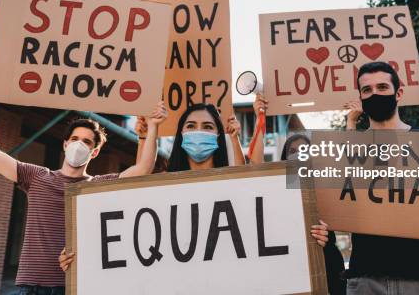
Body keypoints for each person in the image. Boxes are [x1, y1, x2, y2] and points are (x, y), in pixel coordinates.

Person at [59, 100, 331, 273]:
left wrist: (311, 234)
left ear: (218, 135)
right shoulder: (157, 190)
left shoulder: (239, 186)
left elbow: (268, 224)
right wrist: (80, 255)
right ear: (180, 136)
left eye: (207, 126)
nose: (198, 131)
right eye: (190, 126)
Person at [0, 78, 165, 294]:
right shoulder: (36, 177)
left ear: (94, 152)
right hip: (31, 286)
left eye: (87, 142)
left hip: (75, 286)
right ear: (65, 145)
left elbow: (143, 169)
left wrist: (153, 128)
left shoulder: (99, 186)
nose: (79, 144)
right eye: (75, 138)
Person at [341, 62, 419, 295]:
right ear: (360, 97)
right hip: (366, 279)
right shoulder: (354, 147)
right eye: (367, 90)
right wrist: (351, 123)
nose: (375, 94)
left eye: (382, 87)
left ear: (398, 93)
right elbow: (341, 193)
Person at [280, 134, 347, 295]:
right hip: (293, 265)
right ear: (285, 158)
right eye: (293, 151)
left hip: (327, 262)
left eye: (304, 150)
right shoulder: (278, 192)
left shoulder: (326, 186)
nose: (298, 154)